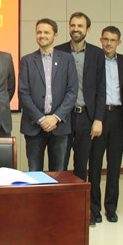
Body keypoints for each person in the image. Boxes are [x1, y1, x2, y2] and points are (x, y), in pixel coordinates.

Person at [19, 19, 78, 171]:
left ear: (55, 35)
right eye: (39, 32)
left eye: (46, 32)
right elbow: (23, 93)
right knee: (34, 173)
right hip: (34, 125)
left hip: (59, 125)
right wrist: (41, 119)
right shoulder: (27, 60)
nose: (42, 35)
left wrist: (55, 117)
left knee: (58, 174)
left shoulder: (67, 59)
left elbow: (72, 91)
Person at [55, 12, 106, 182]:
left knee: (81, 165)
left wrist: (98, 119)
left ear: (88, 30)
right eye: (73, 25)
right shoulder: (58, 51)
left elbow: (101, 88)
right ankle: (61, 198)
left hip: (86, 116)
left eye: (80, 26)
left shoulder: (97, 54)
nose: (76, 29)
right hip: (63, 116)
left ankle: (78, 199)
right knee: (60, 164)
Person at [88, 26, 123, 226]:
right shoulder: (94, 60)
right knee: (95, 166)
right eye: (106, 39)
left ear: (118, 42)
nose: (108, 43)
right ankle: (94, 209)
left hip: (119, 117)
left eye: (113, 40)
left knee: (114, 166)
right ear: (100, 40)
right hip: (99, 116)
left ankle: (111, 208)